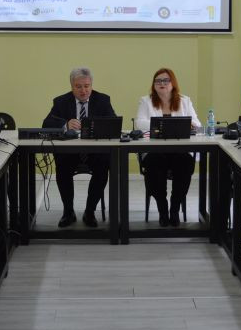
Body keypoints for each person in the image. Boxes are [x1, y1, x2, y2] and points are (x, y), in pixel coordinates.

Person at [42, 67, 116, 228]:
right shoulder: (61, 101)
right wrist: (65, 124)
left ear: (91, 85)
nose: (83, 90)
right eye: (79, 86)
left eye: (87, 86)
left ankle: (90, 211)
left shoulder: (103, 100)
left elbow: (113, 123)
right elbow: (46, 124)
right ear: (72, 86)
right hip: (70, 152)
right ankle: (68, 212)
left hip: (95, 152)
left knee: (103, 166)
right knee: (62, 166)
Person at [134, 68, 202, 227]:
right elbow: (140, 123)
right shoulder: (146, 101)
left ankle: (175, 208)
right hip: (155, 150)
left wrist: (190, 124)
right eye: (158, 81)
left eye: (165, 80)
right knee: (153, 164)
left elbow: (197, 124)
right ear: (154, 85)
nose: (161, 83)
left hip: (179, 150)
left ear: (173, 83)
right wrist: (168, 125)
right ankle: (162, 209)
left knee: (186, 163)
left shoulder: (185, 101)